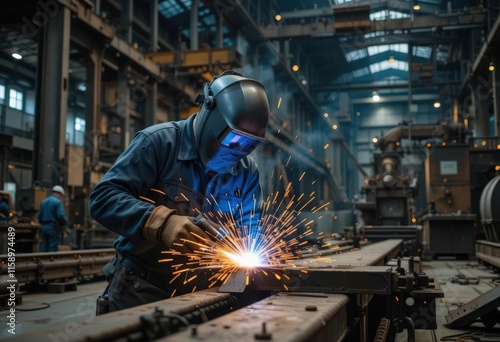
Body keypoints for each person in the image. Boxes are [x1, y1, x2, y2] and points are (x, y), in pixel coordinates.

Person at [89, 71, 270, 312]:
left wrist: (249, 248)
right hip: (141, 289)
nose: (239, 151)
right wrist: (161, 223)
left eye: (250, 144)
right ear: (210, 114)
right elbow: (103, 198)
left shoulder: (246, 170)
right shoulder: (157, 143)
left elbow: (250, 223)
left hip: (207, 294)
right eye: (233, 139)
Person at [38, 185, 69, 252]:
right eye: (61, 196)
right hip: (53, 227)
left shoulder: (43, 202)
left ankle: (43, 261)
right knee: (52, 247)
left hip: (44, 227)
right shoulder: (58, 202)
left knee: (44, 246)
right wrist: (65, 221)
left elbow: (39, 215)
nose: (61, 198)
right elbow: (60, 215)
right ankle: (50, 261)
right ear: (59, 194)